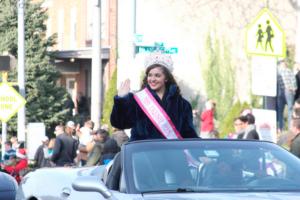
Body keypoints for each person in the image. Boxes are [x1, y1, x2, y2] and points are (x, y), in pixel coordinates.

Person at [110, 52, 198, 141]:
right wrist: (121, 100)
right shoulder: (137, 100)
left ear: (166, 78)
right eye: (150, 75)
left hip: (171, 153)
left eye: (157, 75)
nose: (152, 79)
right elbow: (120, 124)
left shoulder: (182, 104)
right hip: (143, 152)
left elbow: (188, 134)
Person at [277, 60, 297, 131]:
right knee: (290, 109)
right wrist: (294, 90)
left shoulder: (278, 72)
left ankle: (280, 128)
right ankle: (289, 127)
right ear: (285, 64)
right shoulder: (289, 71)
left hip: (280, 92)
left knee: (280, 111)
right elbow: (294, 81)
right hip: (289, 91)